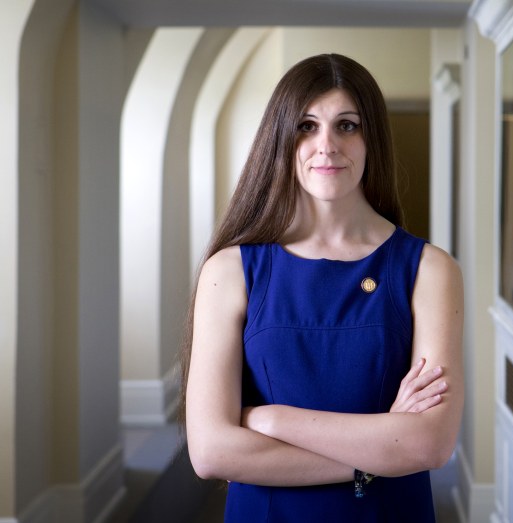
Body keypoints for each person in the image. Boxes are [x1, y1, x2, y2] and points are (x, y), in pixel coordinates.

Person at [181, 53, 464, 522]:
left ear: (371, 137)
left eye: (347, 125)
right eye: (306, 126)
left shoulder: (430, 271)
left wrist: (269, 420)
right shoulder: (227, 271)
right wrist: (380, 450)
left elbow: (430, 443)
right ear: (281, 140)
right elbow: (210, 452)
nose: (326, 145)